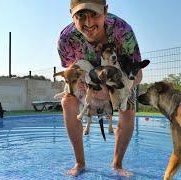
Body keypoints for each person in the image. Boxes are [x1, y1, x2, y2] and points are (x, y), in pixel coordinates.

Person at [57, 0, 143, 177]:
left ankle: (117, 165)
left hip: (118, 81)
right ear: (72, 15)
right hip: (86, 81)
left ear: (105, 11)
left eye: (94, 14)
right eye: (81, 16)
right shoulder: (66, 39)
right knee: (67, 102)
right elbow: (70, 68)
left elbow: (138, 73)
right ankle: (79, 163)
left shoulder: (122, 31)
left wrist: (113, 91)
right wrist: (80, 82)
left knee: (129, 108)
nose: (88, 23)